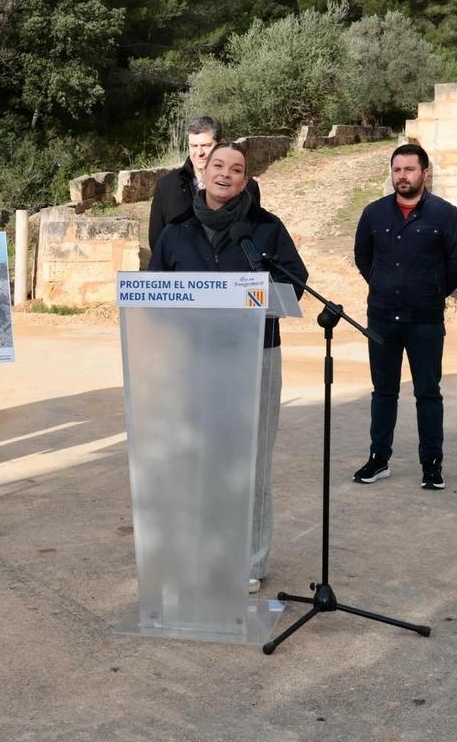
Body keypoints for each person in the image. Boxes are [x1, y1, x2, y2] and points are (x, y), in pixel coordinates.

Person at [148, 141, 307, 592]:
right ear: (203, 172)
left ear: (245, 179)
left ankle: (250, 561)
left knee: (252, 459)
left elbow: (295, 280)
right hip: (195, 359)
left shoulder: (265, 228)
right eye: (218, 165)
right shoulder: (176, 231)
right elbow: (154, 296)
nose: (225, 174)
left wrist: (250, 294)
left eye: (236, 169)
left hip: (256, 354)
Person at [351, 143, 457, 489]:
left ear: (425, 173)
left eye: (409, 169)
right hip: (383, 318)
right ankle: (379, 459)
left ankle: (431, 464)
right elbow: (363, 256)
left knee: (428, 392)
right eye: (397, 170)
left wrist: (430, 291)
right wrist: (383, 285)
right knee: (383, 391)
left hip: (426, 319)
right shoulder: (374, 213)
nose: (402, 176)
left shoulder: (445, 215)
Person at [147, 116, 261, 250]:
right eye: (194, 146)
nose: (199, 153)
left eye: (206, 146)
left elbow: (256, 233)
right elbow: (157, 243)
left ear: (220, 144)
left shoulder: (248, 187)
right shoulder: (166, 186)